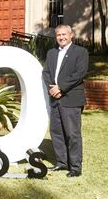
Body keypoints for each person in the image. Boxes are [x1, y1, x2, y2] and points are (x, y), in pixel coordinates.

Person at [42, 24, 88, 177]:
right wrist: (52, 89)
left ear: (71, 35)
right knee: (56, 132)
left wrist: (60, 87)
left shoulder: (81, 52)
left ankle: (75, 167)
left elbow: (79, 73)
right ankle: (62, 163)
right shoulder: (51, 53)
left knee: (72, 134)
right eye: (58, 35)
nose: (61, 37)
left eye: (64, 34)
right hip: (54, 99)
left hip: (71, 99)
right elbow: (46, 72)